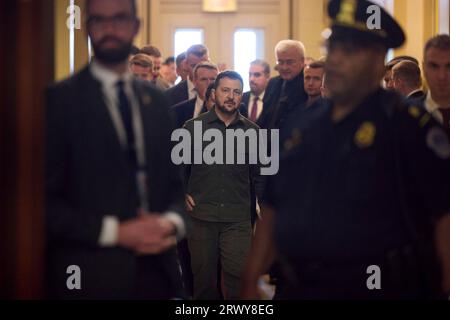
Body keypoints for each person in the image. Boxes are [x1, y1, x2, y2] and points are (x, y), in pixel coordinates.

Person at [242, 0, 450, 300]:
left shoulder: (408, 126)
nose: (336, 60)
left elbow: (443, 213)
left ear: (379, 59)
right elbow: (275, 205)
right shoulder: (303, 125)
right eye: (333, 48)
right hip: (304, 285)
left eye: (349, 51)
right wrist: (251, 280)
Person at [45, 0, 186, 299]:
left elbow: (174, 185)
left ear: (136, 26)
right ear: (86, 28)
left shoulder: (157, 102)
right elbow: (42, 202)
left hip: (156, 273)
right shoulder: (58, 102)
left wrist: (169, 224)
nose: (109, 29)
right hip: (88, 273)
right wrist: (116, 232)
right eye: (99, 20)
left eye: (120, 19)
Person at [183, 71, 264, 299]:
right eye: (225, 90)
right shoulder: (191, 128)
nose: (231, 96)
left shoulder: (254, 132)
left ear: (241, 97)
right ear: (213, 93)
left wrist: (266, 210)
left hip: (237, 219)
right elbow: (174, 170)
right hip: (200, 217)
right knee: (203, 283)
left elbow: (262, 177)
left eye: (236, 92)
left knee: (239, 281)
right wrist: (180, 192)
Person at [257, 40, 308, 131]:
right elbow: (264, 117)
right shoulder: (273, 83)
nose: (284, 67)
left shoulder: (308, 85)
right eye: (280, 62)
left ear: (302, 61)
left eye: (290, 62)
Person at [171, 62, 219, 128]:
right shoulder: (178, 111)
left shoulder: (229, 110)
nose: (209, 83)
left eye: (213, 79)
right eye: (203, 79)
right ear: (194, 82)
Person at [422, 35, 450, 133]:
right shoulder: (406, 116)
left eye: (449, 66)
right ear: (423, 68)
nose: (442, 76)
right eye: (434, 66)